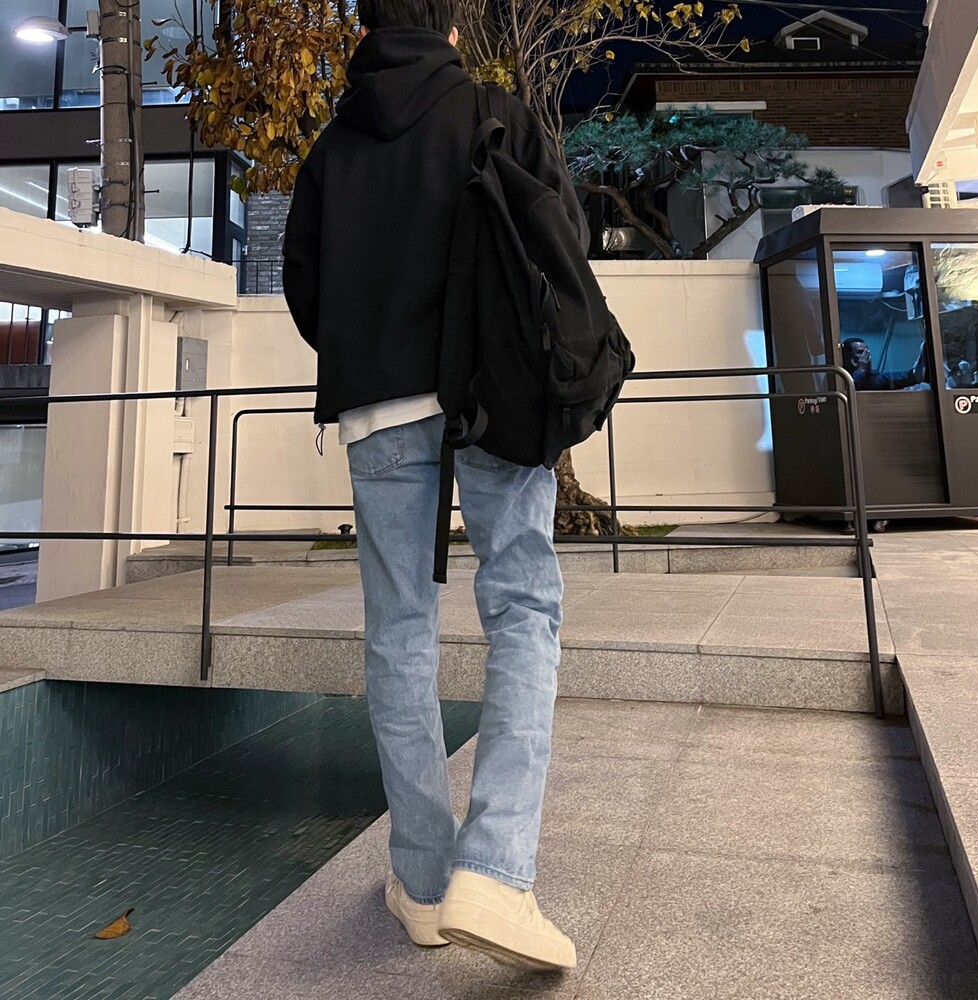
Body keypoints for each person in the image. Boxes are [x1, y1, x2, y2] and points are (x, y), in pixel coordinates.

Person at [282, 0, 588, 973]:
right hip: (494, 392)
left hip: (376, 405)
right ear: (453, 30)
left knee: (399, 633)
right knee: (523, 605)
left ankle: (420, 882)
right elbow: (563, 239)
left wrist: (376, 348)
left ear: (365, 29)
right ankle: (493, 872)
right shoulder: (495, 113)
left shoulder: (333, 148)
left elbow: (305, 290)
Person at [840, 337, 927, 391]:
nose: (866, 355)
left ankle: (914, 375)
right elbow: (852, 387)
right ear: (848, 357)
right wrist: (861, 371)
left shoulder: (872, 376)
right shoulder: (840, 377)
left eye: (867, 352)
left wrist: (866, 371)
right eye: (860, 352)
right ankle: (914, 375)